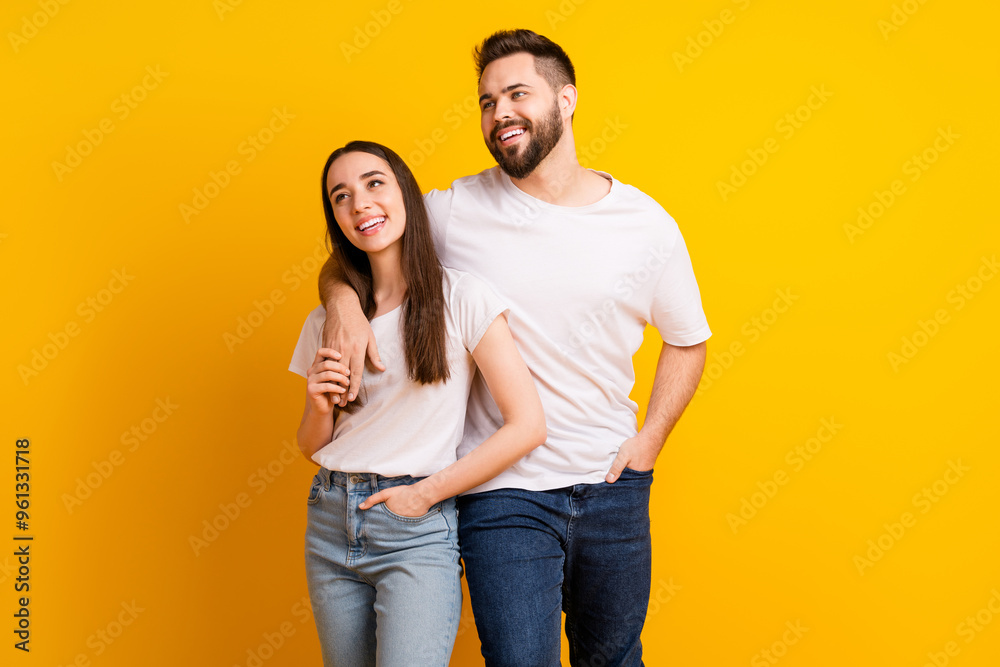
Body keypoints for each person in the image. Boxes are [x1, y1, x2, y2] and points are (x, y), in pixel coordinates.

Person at [317, 30, 712, 667]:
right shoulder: (454, 212)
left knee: (614, 659)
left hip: (614, 486)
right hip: (502, 494)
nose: (499, 113)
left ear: (567, 99)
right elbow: (365, 241)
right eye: (486, 101)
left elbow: (688, 342)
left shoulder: (645, 225)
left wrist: (651, 439)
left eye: (516, 94)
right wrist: (340, 306)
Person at [288, 140, 546, 667]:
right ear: (336, 218)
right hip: (330, 519)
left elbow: (528, 425)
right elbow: (312, 446)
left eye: (374, 183)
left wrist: (425, 495)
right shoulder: (328, 321)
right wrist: (318, 405)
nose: (360, 203)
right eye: (342, 196)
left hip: (415, 527)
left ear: (406, 192)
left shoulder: (462, 297)